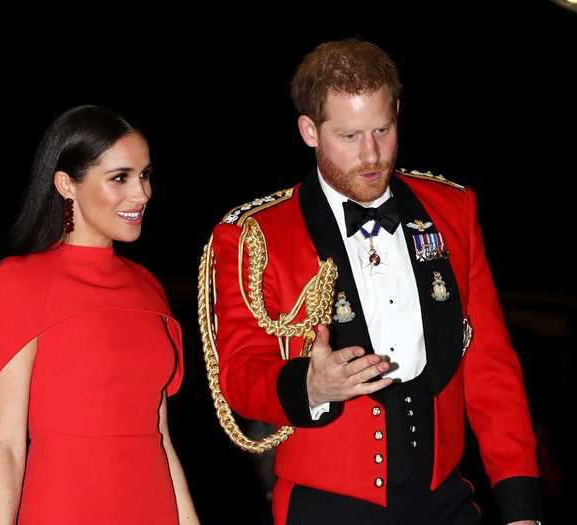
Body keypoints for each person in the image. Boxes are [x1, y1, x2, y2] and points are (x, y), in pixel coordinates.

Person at [203, 39, 541, 524]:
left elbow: (490, 368)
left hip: (445, 501)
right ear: (309, 131)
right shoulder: (252, 235)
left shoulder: (452, 209)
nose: (371, 154)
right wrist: (311, 385)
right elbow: (238, 374)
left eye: (382, 129)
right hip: (324, 507)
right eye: (349, 136)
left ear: (398, 112)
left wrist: (520, 505)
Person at [0, 105, 199, 524]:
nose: (142, 194)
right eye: (120, 178)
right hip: (65, 509)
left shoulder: (147, 287)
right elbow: (5, 447)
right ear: (66, 185)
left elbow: (161, 440)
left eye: (145, 175)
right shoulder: (17, 283)